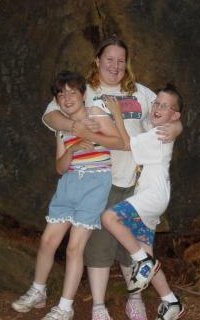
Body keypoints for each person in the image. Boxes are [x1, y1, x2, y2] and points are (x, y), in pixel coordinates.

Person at [42, 36, 182, 320]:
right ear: (97, 61)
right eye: (109, 59)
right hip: (99, 180)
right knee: (99, 246)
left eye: (121, 60)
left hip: (137, 182)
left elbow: (168, 111)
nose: (115, 66)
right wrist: (75, 126)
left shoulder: (140, 92)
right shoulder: (85, 91)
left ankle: (135, 298)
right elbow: (50, 115)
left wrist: (177, 127)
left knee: (137, 245)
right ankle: (98, 305)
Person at [11, 71, 123, 320]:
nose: (67, 97)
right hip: (69, 183)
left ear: (84, 95)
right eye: (61, 94)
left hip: (95, 183)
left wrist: (90, 136)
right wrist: (72, 149)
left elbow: (117, 141)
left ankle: (65, 307)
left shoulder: (95, 114)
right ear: (57, 100)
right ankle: (37, 291)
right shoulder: (60, 126)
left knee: (74, 248)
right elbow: (59, 168)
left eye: (73, 92)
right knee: (48, 241)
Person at [101, 84, 186, 320]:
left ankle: (142, 262)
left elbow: (128, 144)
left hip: (152, 196)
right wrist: (178, 125)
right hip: (149, 199)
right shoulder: (156, 127)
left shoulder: (158, 134)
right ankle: (170, 302)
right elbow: (166, 122)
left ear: (174, 114)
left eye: (165, 106)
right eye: (156, 103)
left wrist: (116, 113)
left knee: (109, 217)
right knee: (146, 253)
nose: (157, 107)